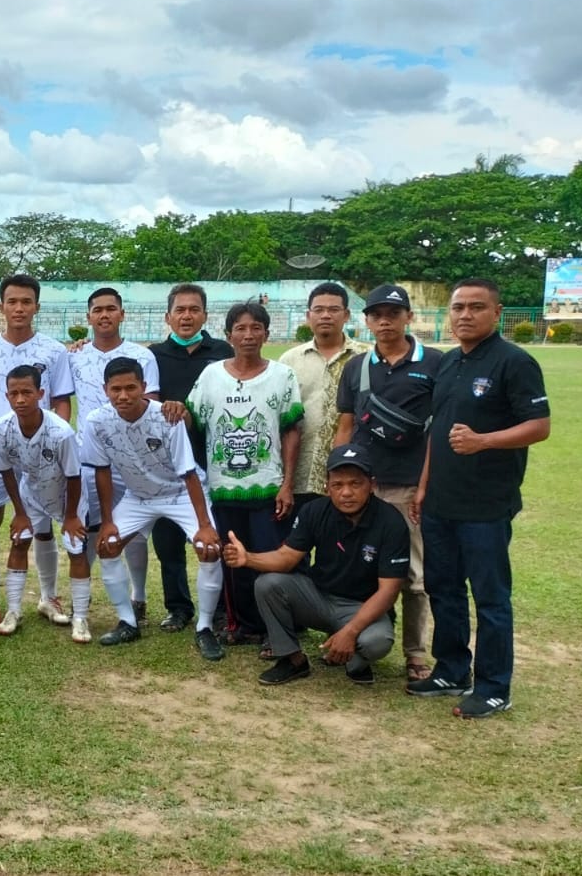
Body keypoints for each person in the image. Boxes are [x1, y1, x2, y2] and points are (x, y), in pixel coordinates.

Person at [409, 277, 550, 719]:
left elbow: (539, 425)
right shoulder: (449, 364)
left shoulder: (515, 362)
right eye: (458, 307)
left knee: (490, 599)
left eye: (475, 307)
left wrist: (483, 441)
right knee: (442, 588)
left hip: (486, 506)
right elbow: (437, 431)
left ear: (497, 312)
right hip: (440, 503)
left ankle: (493, 687)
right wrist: (425, 485)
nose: (465, 315)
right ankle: (452, 669)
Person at [225, 444, 408, 686]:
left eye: (355, 484)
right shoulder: (314, 511)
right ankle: (292, 660)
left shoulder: (392, 522)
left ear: (371, 484)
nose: (346, 493)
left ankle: (355, 661)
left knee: (377, 641)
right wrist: (248, 558)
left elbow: (388, 591)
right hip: (318, 598)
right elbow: (286, 558)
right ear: (326, 487)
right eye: (338, 485)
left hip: (360, 606)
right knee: (268, 584)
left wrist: (351, 632)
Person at [334, 284, 443, 684]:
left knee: (415, 578)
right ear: (366, 321)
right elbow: (345, 426)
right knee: (363, 571)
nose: (384, 320)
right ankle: (363, 644)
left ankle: (415, 654)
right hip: (363, 489)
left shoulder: (433, 363)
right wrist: (337, 480)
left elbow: (437, 432)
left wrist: (425, 485)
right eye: (376, 314)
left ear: (408, 318)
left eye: (393, 314)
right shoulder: (356, 367)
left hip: (408, 488)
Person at [79, 357, 223, 655]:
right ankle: (127, 622)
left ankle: (205, 627)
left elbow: (188, 472)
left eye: (131, 387)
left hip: (180, 493)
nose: (123, 395)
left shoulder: (166, 417)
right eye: (115, 389)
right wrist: (107, 521)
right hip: (139, 496)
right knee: (107, 545)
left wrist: (205, 527)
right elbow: (102, 471)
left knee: (208, 550)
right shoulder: (97, 421)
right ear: (105, 389)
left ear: (144, 387)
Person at [185, 301, 303, 651]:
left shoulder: (282, 376)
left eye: (256, 328)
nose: (248, 335)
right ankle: (242, 624)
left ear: (266, 333)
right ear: (228, 335)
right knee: (233, 561)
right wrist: (173, 408)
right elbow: (194, 419)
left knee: (270, 560)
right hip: (224, 489)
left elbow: (291, 430)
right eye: (241, 328)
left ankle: (275, 630)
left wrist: (286, 484)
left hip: (267, 487)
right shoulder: (211, 375)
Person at [0, 274, 74, 624]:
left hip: (42, 450)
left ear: (36, 307)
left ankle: (49, 596)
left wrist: (54, 442)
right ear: (1, 306)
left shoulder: (54, 351)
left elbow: (61, 402)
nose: (19, 308)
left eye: (26, 302)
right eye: (12, 301)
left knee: (42, 524)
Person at [67, 286, 163, 630]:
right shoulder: (74, 356)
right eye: (98, 310)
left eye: (111, 309)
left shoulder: (142, 356)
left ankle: (139, 597)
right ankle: (83, 594)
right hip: (89, 458)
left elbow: (150, 403)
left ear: (122, 314)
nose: (104, 315)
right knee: (90, 527)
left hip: (133, 460)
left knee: (134, 531)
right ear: (89, 316)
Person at [146, 284, 233, 633]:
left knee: (216, 537)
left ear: (204, 315)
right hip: (168, 465)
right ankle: (178, 607)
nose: (186, 316)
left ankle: (224, 608)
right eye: (179, 310)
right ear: (168, 317)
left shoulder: (223, 351)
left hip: (215, 459)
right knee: (168, 542)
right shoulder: (154, 355)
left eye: (193, 309)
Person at [0, 366, 86, 637]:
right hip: (31, 492)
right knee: (21, 539)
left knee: (76, 548)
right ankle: (14, 609)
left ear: (40, 393)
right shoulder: (1, 429)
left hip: (67, 496)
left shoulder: (61, 432)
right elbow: (5, 470)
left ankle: (78, 617)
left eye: (27, 392)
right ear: (6, 396)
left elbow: (74, 476)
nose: (20, 399)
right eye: (14, 393)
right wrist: (19, 512)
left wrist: (72, 516)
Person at [280, 283, 368, 513]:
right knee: (296, 544)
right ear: (308, 316)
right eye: (318, 310)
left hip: (349, 478)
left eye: (333, 309)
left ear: (347, 315)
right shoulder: (289, 361)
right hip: (298, 474)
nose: (326, 315)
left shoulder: (366, 358)